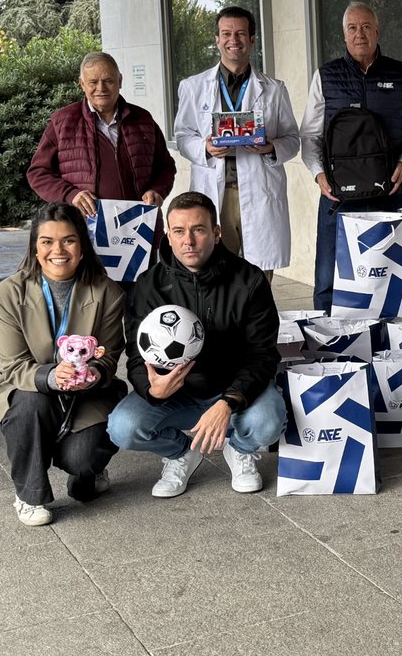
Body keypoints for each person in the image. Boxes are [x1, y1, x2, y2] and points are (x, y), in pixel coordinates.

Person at [107, 192, 287, 498]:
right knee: (122, 428)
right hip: (177, 395)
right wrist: (152, 389)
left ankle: (240, 448)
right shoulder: (148, 286)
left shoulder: (249, 280)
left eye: (198, 230)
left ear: (216, 233)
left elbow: (263, 354)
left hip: (233, 392)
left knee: (269, 422)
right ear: (168, 235)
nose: (188, 241)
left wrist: (229, 401)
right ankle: (181, 453)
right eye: (179, 231)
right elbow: (137, 356)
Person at [0, 202, 127, 526]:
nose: (58, 250)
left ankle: (89, 472)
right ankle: (29, 495)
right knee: (29, 404)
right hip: (30, 389)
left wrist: (94, 373)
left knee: (82, 460)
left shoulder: (108, 292)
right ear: (35, 248)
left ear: (82, 246)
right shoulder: (7, 295)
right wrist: (51, 376)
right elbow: (12, 365)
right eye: (47, 241)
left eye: (68, 240)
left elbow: (108, 356)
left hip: (87, 395)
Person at [300, 1, 402, 311]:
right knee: (328, 277)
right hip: (337, 196)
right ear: (344, 35)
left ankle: (388, 334)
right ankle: (325, 334)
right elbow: (310, 135)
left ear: (377, 31)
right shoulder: (325, 76)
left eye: (366, 27)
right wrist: (319, 175)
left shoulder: (400, 74)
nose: (360, 34)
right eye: (353, 28)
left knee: (389, 273)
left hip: (388, 193)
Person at [174, 6, 300, 276]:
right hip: (216, 191)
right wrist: (205, 148)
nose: (234, 40)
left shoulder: (274, 89)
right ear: (217, 39)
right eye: (227, 34)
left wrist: (271, 148)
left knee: (259, 276)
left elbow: (292, 139)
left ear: (252, 40)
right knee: (215, 271)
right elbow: (182, 136)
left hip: (260, 189)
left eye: (241, 34)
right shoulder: (193, 87)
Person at [27, 52, 176, 218]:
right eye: (93, 82)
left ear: (120, 81)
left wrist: (157, 190)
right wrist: (70, 195)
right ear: (82, 84)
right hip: (83, 225)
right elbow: (38, 173)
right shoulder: (62, 122)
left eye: (108, 81)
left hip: (140, 223)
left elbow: (166, 166)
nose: (101, 88)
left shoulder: (143, 119)